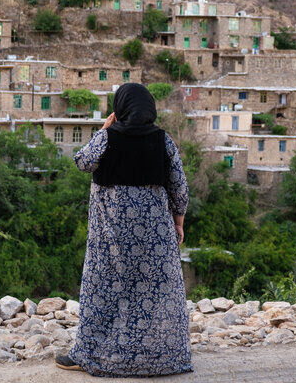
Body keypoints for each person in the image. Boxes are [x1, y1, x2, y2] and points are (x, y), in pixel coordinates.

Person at [55, 83, 193, 377]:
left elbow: (82, 161)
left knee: (103, 290)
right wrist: (178, 221)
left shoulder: (107, 138)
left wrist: (104, 128)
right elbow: (179, 186)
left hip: (111, 236)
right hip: (155, 236)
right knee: (155, 293)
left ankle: (93, 355)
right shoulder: (163, 140)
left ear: (119, 109)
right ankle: (163, 358)